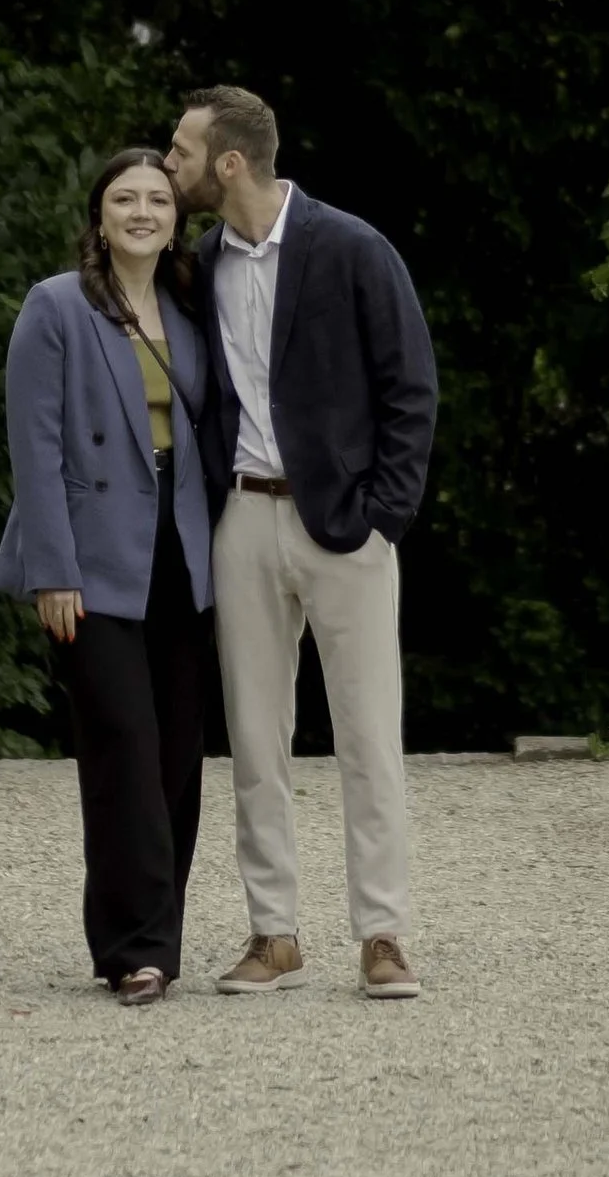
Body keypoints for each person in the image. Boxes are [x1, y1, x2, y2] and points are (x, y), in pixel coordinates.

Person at [166, 85, 438, 1000]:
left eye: (182, 152)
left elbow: (411, 387)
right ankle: (273, 933)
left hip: (345, 525)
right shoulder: (201, 264)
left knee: (368, 733)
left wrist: (384, 516)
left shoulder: (352, 247)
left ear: (229, 162)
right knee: (253, 737)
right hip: (241, 519)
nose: (170, 166)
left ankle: (383, 933)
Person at [0, 149, 216, 1006]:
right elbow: (35, 448)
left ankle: (150, 934)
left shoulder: (191, 309)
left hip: (181, 552)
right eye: (125, 198)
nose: (142, 211)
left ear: (176, 218)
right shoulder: (56, 305)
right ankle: (137, 950)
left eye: (158, 198)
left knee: (178, 754)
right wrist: (53, 571)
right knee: (122, 743)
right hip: (90, 560)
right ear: (99, 215)